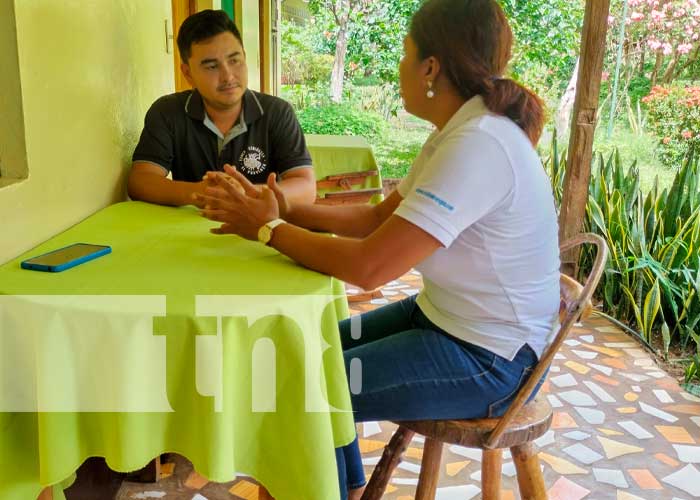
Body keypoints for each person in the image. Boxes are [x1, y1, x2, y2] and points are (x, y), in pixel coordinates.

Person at [196, 0, 560, 498]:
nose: (399, 67)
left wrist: (267, 228)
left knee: (299, 387)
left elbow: (369, 266)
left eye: (405, 54)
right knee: (303, 353)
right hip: (444, 320)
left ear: (431, 67)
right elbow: (373, 219)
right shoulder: (457, 133)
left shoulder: (479, 144)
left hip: (492, 358)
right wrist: (279, 204)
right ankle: (338, 489)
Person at [128, 9, 316, 208]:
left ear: (244, 56)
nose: (228, 76)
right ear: (188, 73)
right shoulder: (167, 112)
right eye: (211, 66)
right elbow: (140, 181)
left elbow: (305, 186)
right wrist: (200, 192)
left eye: (234, 60)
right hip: (188, 231)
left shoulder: (277, 112)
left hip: (258, 231)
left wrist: (246, 194)